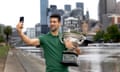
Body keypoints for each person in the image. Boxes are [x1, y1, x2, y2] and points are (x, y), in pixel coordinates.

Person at [16, 14, 80, 72]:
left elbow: (78, 53)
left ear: (59, 23)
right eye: (51, 22)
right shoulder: (44, 38)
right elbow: (29, 41)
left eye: (54, 22)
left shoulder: (65, 38)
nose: (52, 23)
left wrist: (72, 48)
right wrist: (20, 32)